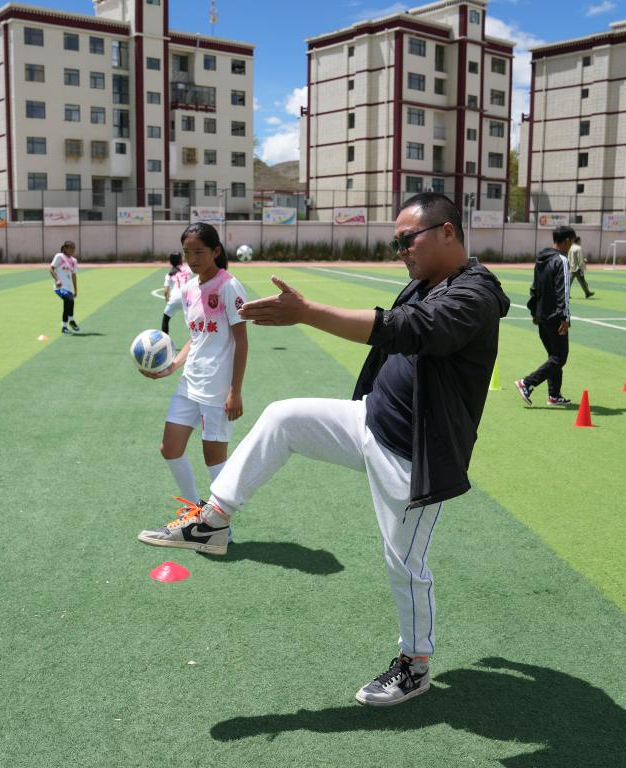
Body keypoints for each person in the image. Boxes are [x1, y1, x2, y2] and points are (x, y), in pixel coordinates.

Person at [138, 193, 511, 707]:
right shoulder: (427, 281)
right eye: (395, 241)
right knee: (284, 416)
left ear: (447, 232)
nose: (400, 250)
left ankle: (415, 664)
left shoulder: (475, 295)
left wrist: (307, 312)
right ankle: (215, 520)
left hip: (414, 453)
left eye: (408, 240)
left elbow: (414, 330)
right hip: (371, 420)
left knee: (404, 563)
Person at [140, 222, 249, 516]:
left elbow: (241, 341)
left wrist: (234, 392)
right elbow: (196, 336)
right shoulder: (188, 288)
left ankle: (220, 528)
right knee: (170, 448)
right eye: (188, 253)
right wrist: (172, 366)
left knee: (214, 459)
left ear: (215, 251)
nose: (193, 258)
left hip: (218, 388)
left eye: (199, 252)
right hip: (190, 383)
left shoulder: (229, 286)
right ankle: (195, 511)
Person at [515, 225, 575, 407]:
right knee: (560, 358)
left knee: (554, 356)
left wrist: (534, 311)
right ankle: (527, 383)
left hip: (542, 315)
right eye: (572, 241)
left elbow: (535, 287)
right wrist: (565, 317)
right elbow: (563, 290)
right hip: (556, 317)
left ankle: (554, 395)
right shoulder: (562, 261)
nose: (572, 245)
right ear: (566, 241)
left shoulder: (541, 259)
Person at [49, 241, 80, 335]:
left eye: (74, 248)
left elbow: (74, 275)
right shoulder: (59, 256)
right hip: (59, 287)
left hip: (69, 287)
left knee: (68, 304)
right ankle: (72, 320)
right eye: (71, 248)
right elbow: (51, 268)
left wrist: (75, 289)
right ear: (65, 249)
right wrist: (57, 279)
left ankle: (64, 327)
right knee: (69, 300)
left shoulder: (74, 261)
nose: (73, 250)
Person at [161, 251, 193, 335]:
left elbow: (165, 291)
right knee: (191, 321)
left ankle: (164, 341)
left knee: (166, 319)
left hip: (175, 298)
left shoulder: (169, 274)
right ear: (180, 260)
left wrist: (167, 299)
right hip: (188, 298)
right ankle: (196, 340)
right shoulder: (188, 269)